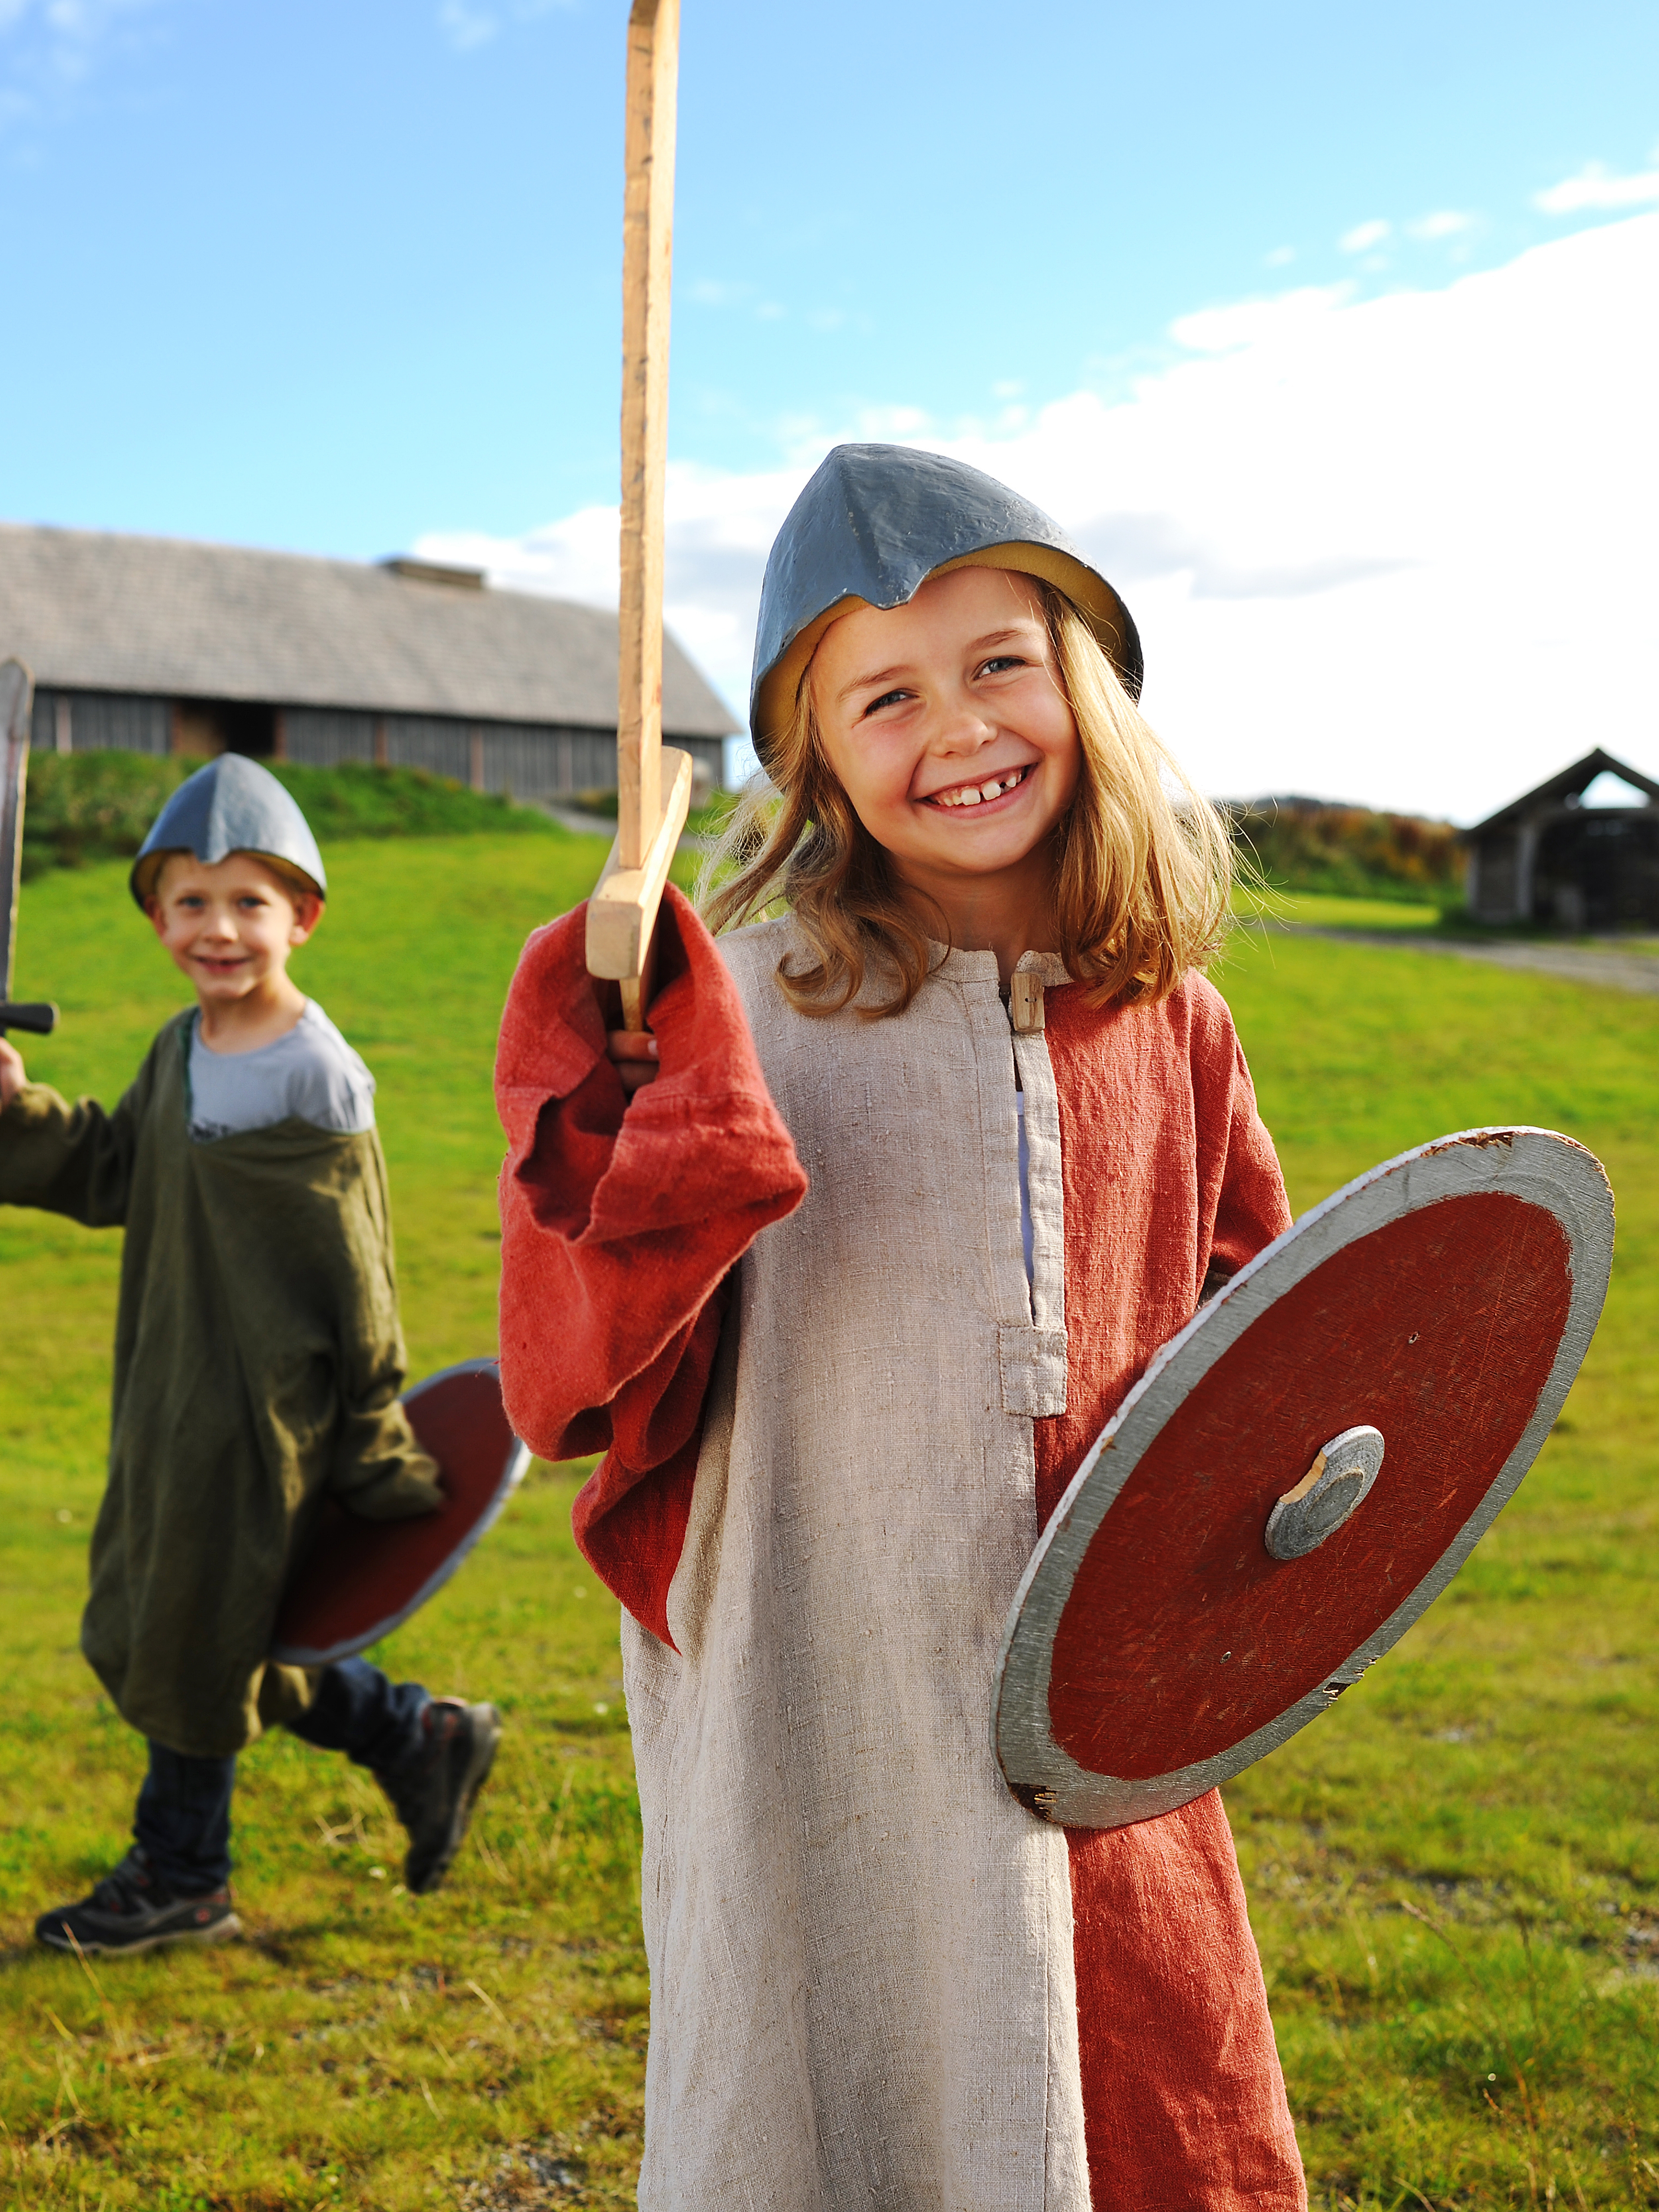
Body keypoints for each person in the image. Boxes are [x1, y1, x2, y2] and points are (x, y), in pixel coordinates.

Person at [495, 445, 1306, 2209]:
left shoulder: (1177, 1024)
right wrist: (608, 1094)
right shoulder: (747, 1014)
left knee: (1120, 2085)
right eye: (886, 692)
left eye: (1000, 661)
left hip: (1092, 1687)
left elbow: (1274, 1348)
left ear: (1082, 676)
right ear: (820, 759)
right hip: (824, 1668)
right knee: (837, 2083)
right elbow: (584, 1367)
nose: (959, 724)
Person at [0, 754, 500, 1957]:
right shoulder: (182, 1050)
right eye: (190, 902)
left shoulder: (317, 1078)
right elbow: (118, 1168)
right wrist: (15, 1112)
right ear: (156, 916)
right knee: (209, 1624)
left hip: (268, 1416)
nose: (218, 929)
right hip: (172, 1388)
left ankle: (182, 1873)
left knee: (195, 1631)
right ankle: (414, 1737)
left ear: (303, 917)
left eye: (249, 902)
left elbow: (359, 1276)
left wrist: (378, 1439)